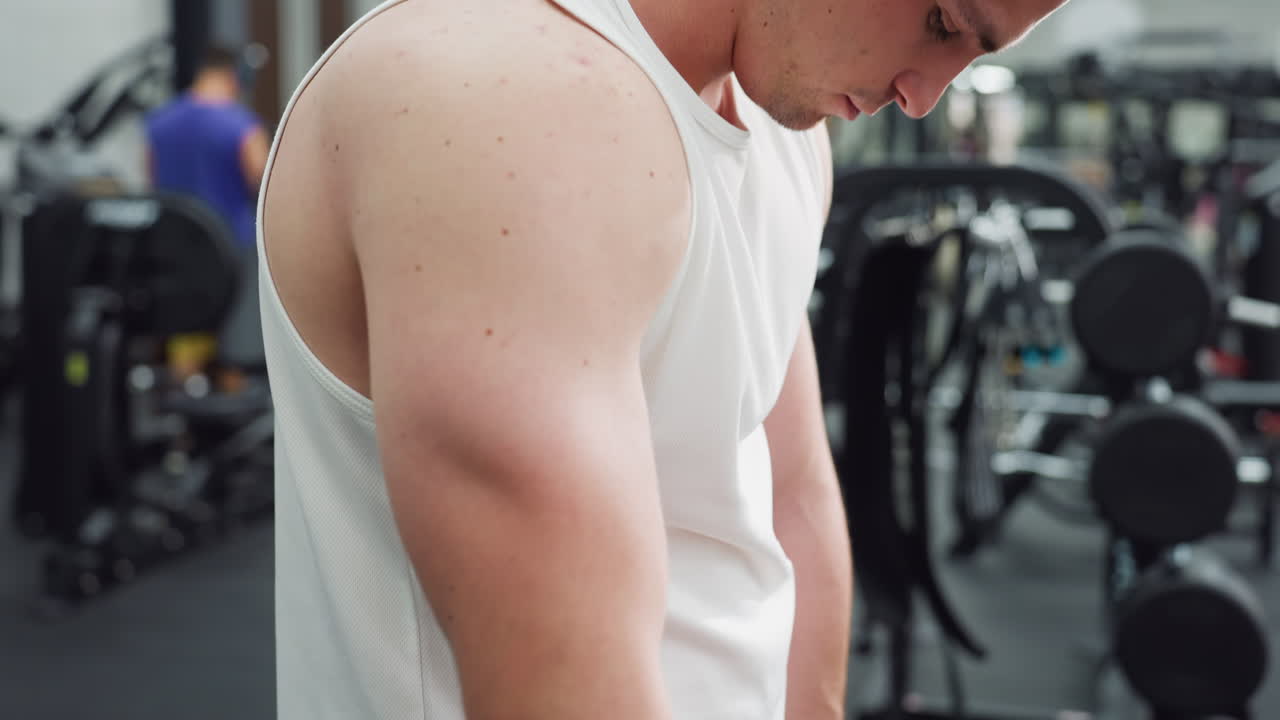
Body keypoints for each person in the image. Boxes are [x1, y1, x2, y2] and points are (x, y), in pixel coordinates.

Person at [258, 1, 1067, 718]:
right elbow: (556, 684)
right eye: (943, 23)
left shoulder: (787, 138)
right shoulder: (499, 92)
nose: (924, 97)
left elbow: (790, 497)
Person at [146, 45, 270, 388]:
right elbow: (262, 180)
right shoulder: (240, 124)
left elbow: (152, 180)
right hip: (229, 251)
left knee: (185, 342)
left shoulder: (159, 122)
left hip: (174, 251)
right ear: (235, 76)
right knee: (234, 350)